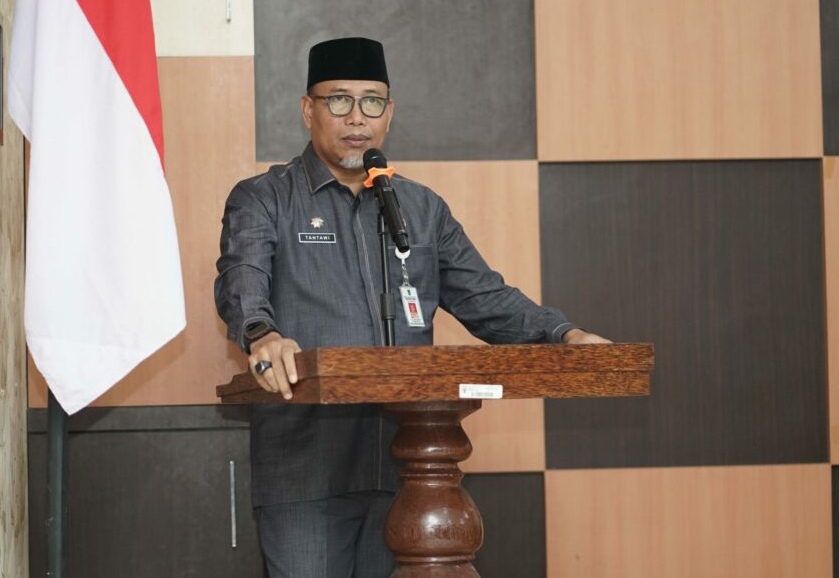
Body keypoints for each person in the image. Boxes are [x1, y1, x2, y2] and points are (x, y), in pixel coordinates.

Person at [214, 37, 609, 577]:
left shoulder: (420, 208)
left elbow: (486, 297)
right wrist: (262, 333)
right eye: (339, 100)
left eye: (372, 102)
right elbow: (241, 279)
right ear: (308, 109)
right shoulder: (265, 197)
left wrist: (563, 334)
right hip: (306, 466)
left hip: (410, 466)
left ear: (390, 113)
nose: (357, 117)